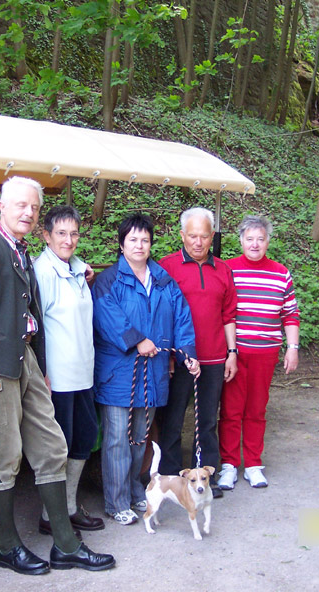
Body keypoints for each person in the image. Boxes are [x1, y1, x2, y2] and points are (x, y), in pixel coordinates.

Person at [0, 176, 114, 575]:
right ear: (2, 207)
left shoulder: (20, 251)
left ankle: (65, 546)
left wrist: (39, 367)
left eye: (33, 207)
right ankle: (7, 546)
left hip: (26, 363)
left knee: (52, 446)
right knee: (4, 456)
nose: (27, 212)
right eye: (20, 205)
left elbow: (31, 314)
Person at [92, 212, 200, 526]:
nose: (139, 245)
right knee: (116, 439)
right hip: (118, 373)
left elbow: (182, 320)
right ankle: (115, 501)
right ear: (122, 244)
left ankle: (134, 489)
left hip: (152, 373)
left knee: (140, 436)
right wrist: (136, 340)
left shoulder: (164, 280)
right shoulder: (108, 281)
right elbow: (107, 317)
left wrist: (187, 354)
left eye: (145, 239)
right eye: (133, 240)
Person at [33, 205, 104, 535]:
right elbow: (36, 327)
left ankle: (69, 507)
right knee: (59, 444)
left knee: (84, 437)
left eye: (74, 233)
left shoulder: (77, 269)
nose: (69, 239)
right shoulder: (43, 272)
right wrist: (42, 371)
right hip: (57, 376)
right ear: (46, 235)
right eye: (61, 233)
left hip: (82, 371)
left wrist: (86, 273)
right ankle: (52, 515)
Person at [157, 207, 238, 498]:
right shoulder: (166, 267)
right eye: (192, 236)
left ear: (212, 236)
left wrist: (232, 352)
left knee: (207, 421)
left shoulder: (224, 270)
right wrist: (166, 355)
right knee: (172, 419)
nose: (198, 242)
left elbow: (229, 315)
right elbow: (160, 313)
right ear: (182, 235)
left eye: (204, 236)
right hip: (178, 358)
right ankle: (170, 479)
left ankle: (205, 478)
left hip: (214, 357)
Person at [217, 215, 300, 490]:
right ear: (240, 240)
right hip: (234, 354)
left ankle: (253, 463)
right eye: (249, 239)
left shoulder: (280, 272)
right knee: (230, 410)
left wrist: (293, 348)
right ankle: (229, 465)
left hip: (266, 353)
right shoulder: (227, 269)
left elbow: (290, 315)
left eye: (260, 239)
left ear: (267, 242)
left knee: (256, 409)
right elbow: (221, 311)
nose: (254, 244)